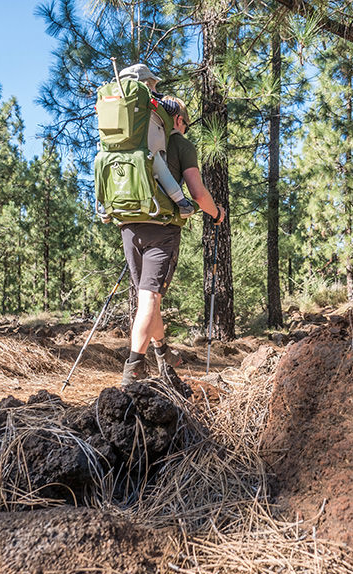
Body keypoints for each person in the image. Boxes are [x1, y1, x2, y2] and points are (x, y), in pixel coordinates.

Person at [119, 86, 226, 386]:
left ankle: (162, 351)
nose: (185, 126)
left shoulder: (140, 142)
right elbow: (198, 193)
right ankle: (133, 369)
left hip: (129, 223)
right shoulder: (180, 144)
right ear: (178, 119)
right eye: (186, 122)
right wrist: (216, 214)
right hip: (162, 229)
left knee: (148, 297)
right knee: (150, 297)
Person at [117, 63, 194, 218]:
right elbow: (172, 107)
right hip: (144, 149)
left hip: (118, 151)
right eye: (154, 87)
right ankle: (182, 202)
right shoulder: (145, 97)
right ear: (147, 84)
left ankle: (105, 207)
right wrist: (158, 99)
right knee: (157, 163)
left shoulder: (115, 100)